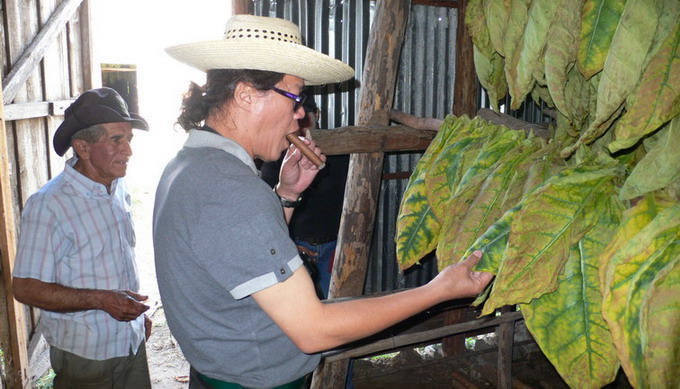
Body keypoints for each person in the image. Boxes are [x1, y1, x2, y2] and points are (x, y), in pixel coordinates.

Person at [155, 14, 493, 389]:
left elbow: (238, 261)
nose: (301, 114)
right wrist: (439, 290)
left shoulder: (192, 164)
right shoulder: (229, 187)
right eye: (295, 98)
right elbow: (313, 331)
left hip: (223, 370)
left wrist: (286, 195)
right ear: (247, 96)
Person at [12, 88, 153, 389]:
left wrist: (136, 320)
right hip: (87, 357)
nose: (128, 150)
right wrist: (102, 300)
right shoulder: (49, 205)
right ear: (83, 147)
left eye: (129, 139)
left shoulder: (118, 188)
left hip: (130, 342)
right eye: (117, 140)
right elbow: (25, 288)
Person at [260, 93, 349, 299]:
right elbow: (269, 209)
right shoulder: (278, 157)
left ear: (317, 114)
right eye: (296, 119)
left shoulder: (343, 151)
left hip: (334, 245)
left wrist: (344, 243)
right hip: (295, 245)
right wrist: (290, 244)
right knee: (298, 304)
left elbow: (353, 202)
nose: (302, 125)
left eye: (306, 118)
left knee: (334, 302)